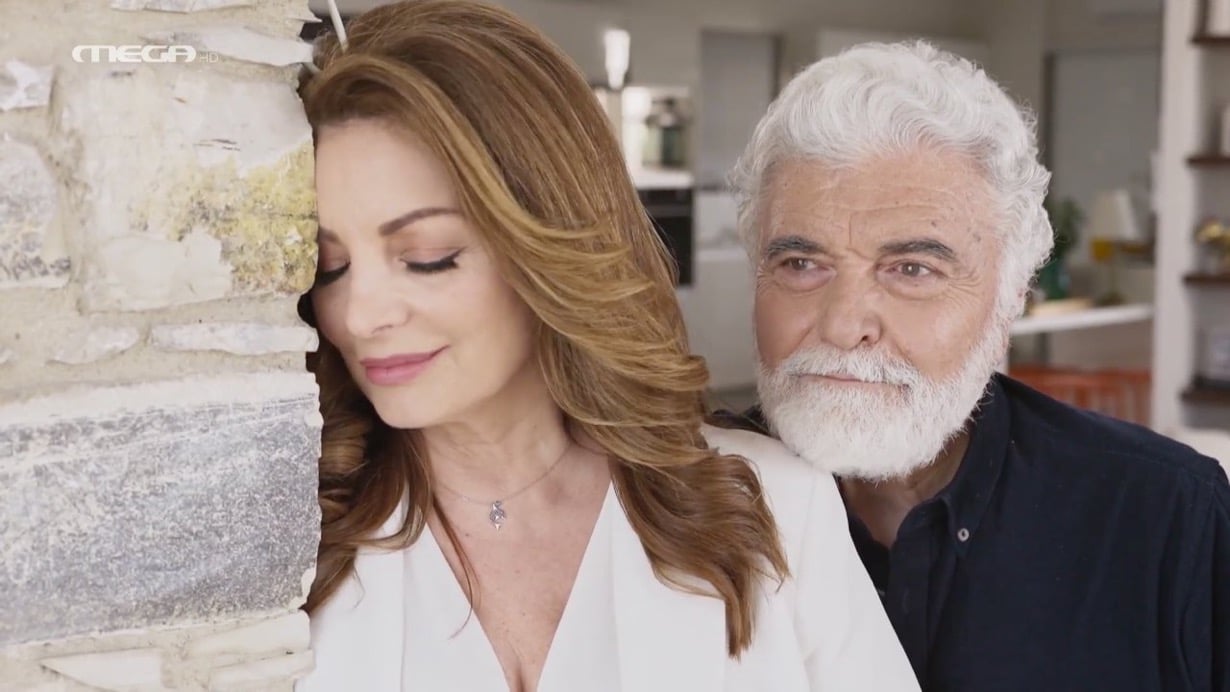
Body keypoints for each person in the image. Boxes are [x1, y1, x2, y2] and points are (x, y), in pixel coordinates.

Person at [292, 2, 918, 690]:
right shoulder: (293, 539)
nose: (360, 314)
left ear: (548, 244)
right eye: (330, 266)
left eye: (427, 256)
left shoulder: (778, 506)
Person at [720, 40, 1230, 691]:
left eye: (912, 269)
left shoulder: (1166, 518)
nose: (844, 325)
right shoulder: (673, 510)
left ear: (1012, 296)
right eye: (800, 264)